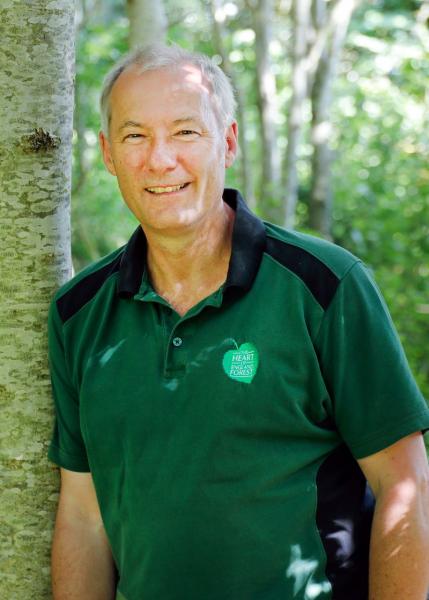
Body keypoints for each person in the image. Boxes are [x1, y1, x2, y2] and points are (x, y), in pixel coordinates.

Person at [48, 43, 429, 600]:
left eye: (185, 132)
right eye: (135, 136)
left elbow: (405, 485)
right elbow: (84, 513)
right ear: (108, 153)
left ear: (226, 141)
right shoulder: (78, 314)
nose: (159, 159)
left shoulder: (325, 288)